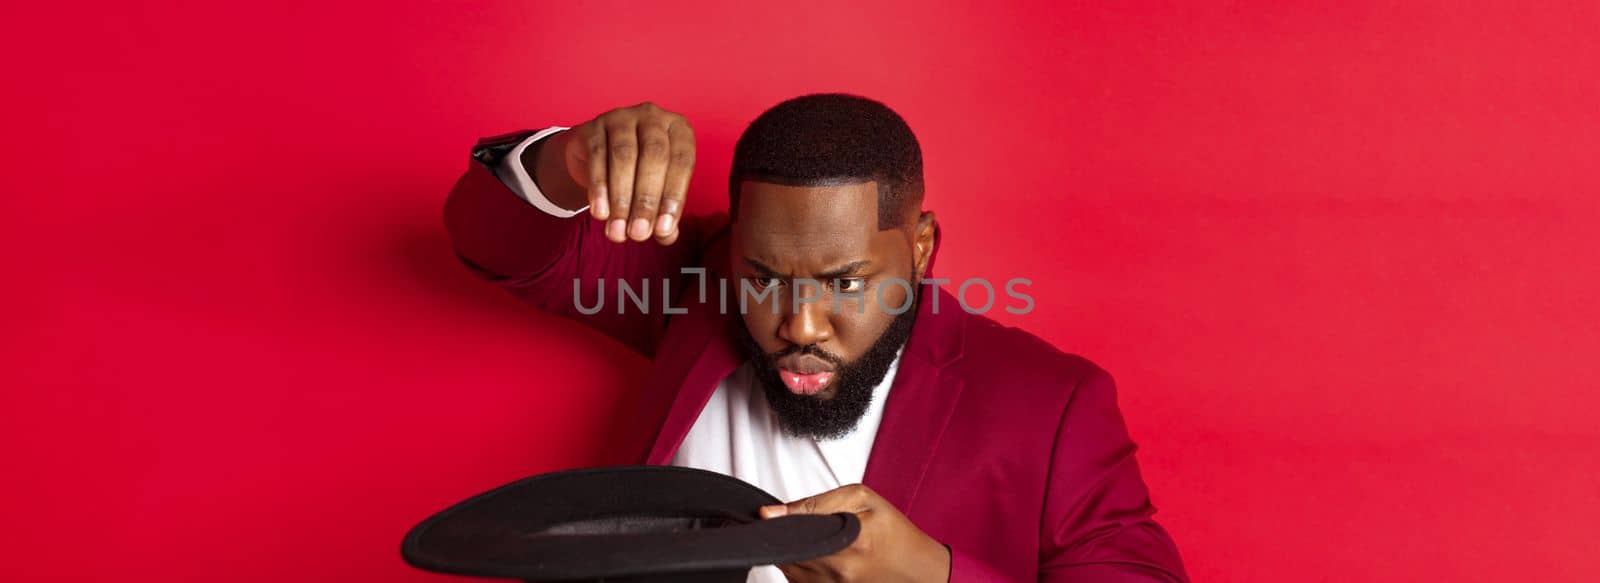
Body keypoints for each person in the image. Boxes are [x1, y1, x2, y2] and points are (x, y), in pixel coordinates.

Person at [443, 95, 1187, 582]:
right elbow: (495, 243)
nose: (797, 324)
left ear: (921, 247)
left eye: (844, 282)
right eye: (764, 276)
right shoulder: (698, 289)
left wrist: (931, 574)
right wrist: (567, 162)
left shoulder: (1053, 403)